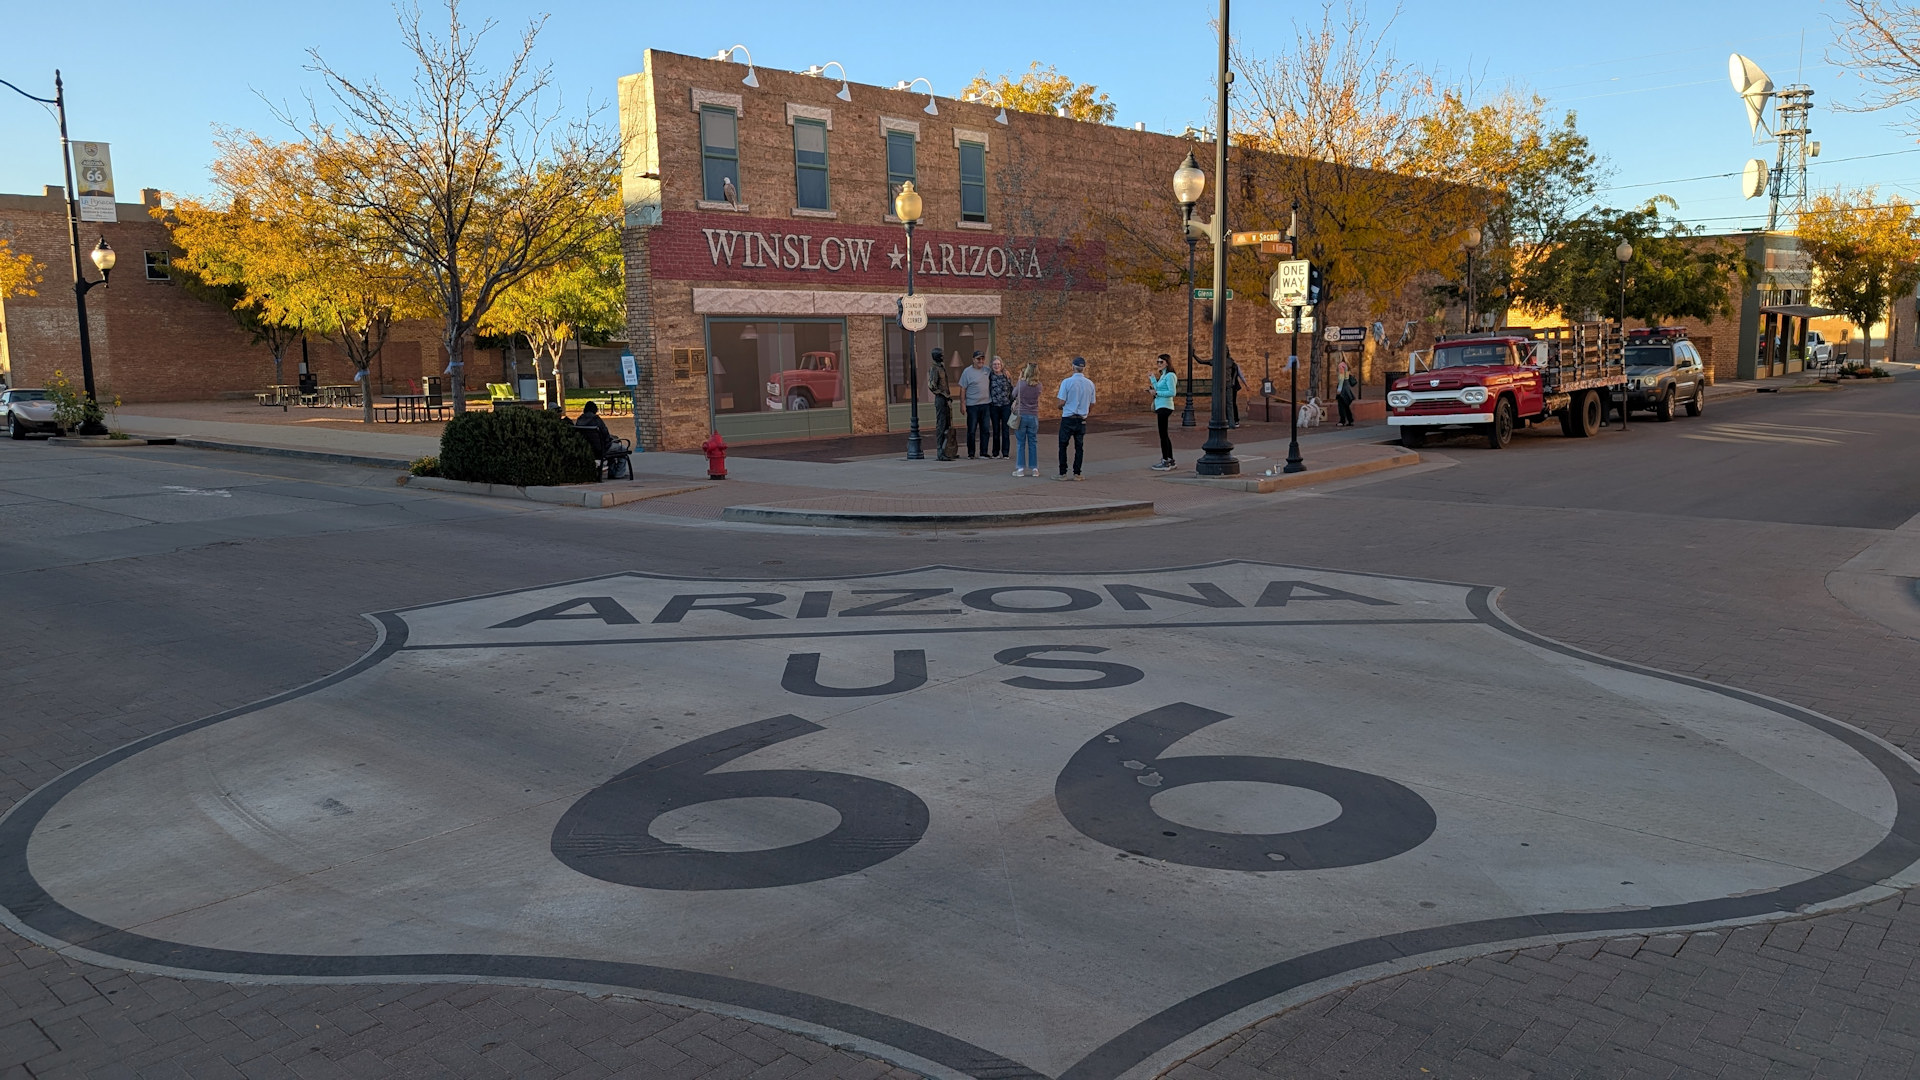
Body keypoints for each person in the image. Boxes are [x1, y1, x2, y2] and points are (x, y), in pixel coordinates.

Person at [1055, 356, 1096, 480]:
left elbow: (1061, 401)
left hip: (1068, 417)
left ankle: (1063, 473)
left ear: (1073, 367)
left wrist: (1060, 407)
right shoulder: (1090, 383)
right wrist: (1086, 411)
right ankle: (1077, 473)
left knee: (1063, 445)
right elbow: (1092, 403)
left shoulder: (1066, 382)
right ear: (1083, 368)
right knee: (1079, 446)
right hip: (1081, 418)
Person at [1012, 362, 1043, 476]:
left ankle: (1020, 469)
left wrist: (1020, 379)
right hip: (1033, 415)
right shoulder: (1039, 385)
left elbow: (1013, 394)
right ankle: (1034, 468)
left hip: (1022, 414)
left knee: (1021, 443)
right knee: (1033, 442)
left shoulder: (1021, 384)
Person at [959, 351, 991, 459]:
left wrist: (1005, 371)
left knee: (985, 430)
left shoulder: (987, 370)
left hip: (986, 404)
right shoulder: (967, 372)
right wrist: (962, 404)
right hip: (972, 405)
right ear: (973, 359)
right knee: (972, 430)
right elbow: (963, 388)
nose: (981, 361)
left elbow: (998, 371)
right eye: (978, 359)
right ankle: (971, 453)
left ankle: (983, 452)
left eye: (982, 359)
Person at [928, 348, 958, 461]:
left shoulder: (941, 367)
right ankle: (940, 451)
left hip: (946, 399)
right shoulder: (934, 368)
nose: (943, 357)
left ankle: (948, 450)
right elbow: (932, 386)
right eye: (941, 355)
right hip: (940, 399)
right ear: (936, 356)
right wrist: (944, 395)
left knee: (948, 424)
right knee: (941, 425)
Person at [1149, 354, 1178, 470]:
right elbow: (1158, 388)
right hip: (1160, 405)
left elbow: (1172, 392)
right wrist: (1152, 379)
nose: (1159, 364)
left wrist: (1157, 394)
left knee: (1163, 434)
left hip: (1165, 406)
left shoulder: (1170, 376)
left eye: (1161, 362)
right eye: (1158, 362)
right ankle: (1170, 459)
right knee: (1164, 434)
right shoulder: (1163, 376)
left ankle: (1166, 460)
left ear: (1167, 363)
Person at [988, 356, 1014, 459]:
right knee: (995, 430)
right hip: (994, 406)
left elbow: (1012, 389)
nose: (996, 366)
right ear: (992, 366)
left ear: (1001, 365)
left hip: (1005, 405)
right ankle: (995, 452)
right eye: (994, 364)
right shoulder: (989, 376)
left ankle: (1006, 453)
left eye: (998, 364)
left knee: (1005, 430)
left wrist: (1013, 402)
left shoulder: (1006, 375)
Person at [1334, 359, 1358, 427]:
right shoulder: (1346, 366)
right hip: (1347, 389)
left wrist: (1339, 391)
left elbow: (1341, 380)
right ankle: (1350, 420)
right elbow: (1346, 378)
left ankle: (1342, 421)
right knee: (1346, 406)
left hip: (1343, 390)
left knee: (1341, 406)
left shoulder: (1341, 366)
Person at [1226, 356, 1247, 428]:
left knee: (1230, 403)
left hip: (1231, 386)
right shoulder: (1235, 366)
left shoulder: (1233, 366)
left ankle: (1233, 419)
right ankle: (1234, 420)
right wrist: (1246, 385)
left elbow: (1241, 376)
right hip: (1233, 386)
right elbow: (1241, 376)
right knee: (1232, 403)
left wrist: (1246, 385)